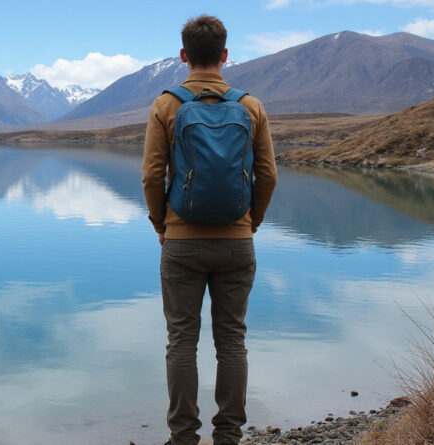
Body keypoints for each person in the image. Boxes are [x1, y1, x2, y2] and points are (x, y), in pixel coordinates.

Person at [141, 15, 277, 445]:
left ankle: (183, 437)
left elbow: (151, 175)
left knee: (181, 340)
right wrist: (249, 223)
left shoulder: (166, 105)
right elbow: (268, 175)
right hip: (237, 242)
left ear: (183, 56)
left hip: (181, 241)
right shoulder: (251, 106)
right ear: (224, 55)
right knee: (232, 340)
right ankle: (229, 436)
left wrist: (162, 224)